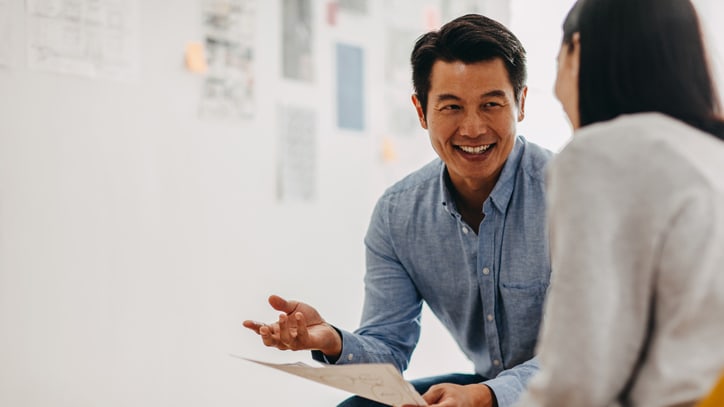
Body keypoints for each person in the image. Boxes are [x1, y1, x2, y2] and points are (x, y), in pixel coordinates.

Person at [244, 14, 553, 407]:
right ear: (421, 112)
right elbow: (388, 349)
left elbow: (589, 354)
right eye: (451, 107)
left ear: (521, 104)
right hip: (486, 387)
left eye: (491, 104)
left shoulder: (574, 196)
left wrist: (485, 395)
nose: (473, 128)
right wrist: (332, 340)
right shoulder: (398, 215)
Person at [514, 0, 724, 406]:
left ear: (577, 51)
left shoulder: (601, 154)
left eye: (558, 58)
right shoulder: (711, 152)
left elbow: (578, 379)